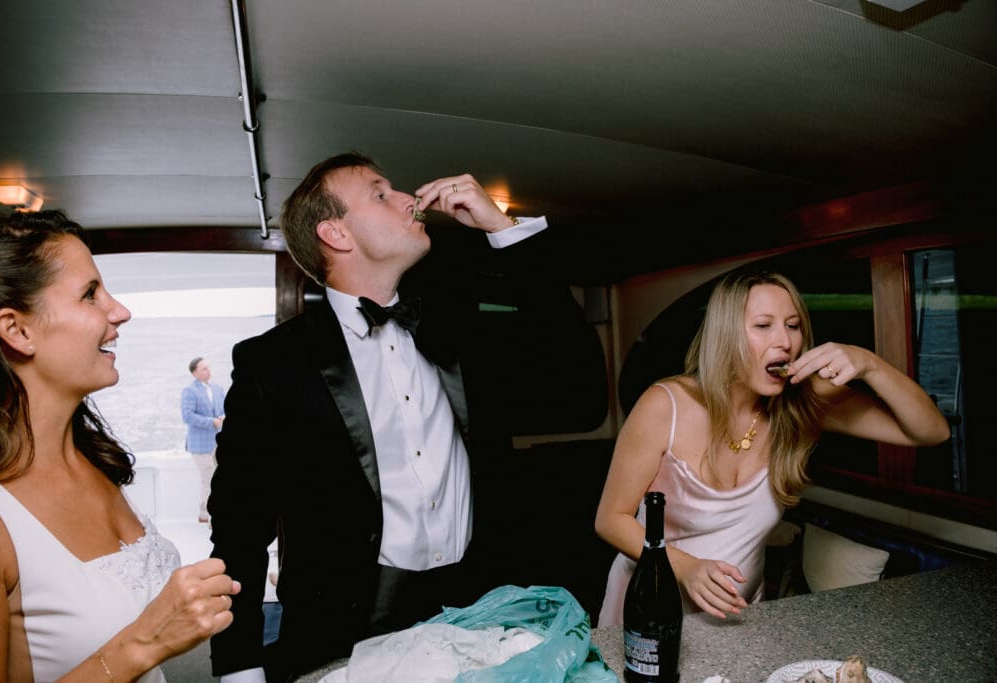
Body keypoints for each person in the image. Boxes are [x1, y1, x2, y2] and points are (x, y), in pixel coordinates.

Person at [208, 152, 604, 681]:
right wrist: (240, 668)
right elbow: (239, 528)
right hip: (344, 627)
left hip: (478, 610)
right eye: (380, 192)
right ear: (336, 233)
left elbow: (573, 367)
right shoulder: (271, 365)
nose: (409, 198)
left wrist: (501, 227)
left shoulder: (457, 327)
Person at [0, 210, 242, 682]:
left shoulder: (91, 457)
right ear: (17, 331)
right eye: (90, 294)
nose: (120, 311)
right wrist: (147, 641)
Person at [594, 269, 950, 624]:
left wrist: (871, 365)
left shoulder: (803, 404)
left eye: (793, 325)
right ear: (726, 335)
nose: (784, 341)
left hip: (739, 619)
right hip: (650, 612)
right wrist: (686, 568)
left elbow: (931, 432)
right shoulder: (665, 405)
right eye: (764, 326)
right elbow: (611, 519)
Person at [181, 356, 226, 523]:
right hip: (200, 445)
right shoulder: (189, 391)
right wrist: (212, 422)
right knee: (209, 480)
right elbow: (188, 416)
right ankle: (212, 517)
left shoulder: (218, 388)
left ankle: (204, 514)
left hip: (218, 442)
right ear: (195, 373)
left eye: (208, 367)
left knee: (217, 479)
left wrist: (222, 417)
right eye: (204, 369)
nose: (208, 371)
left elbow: (224, 410)